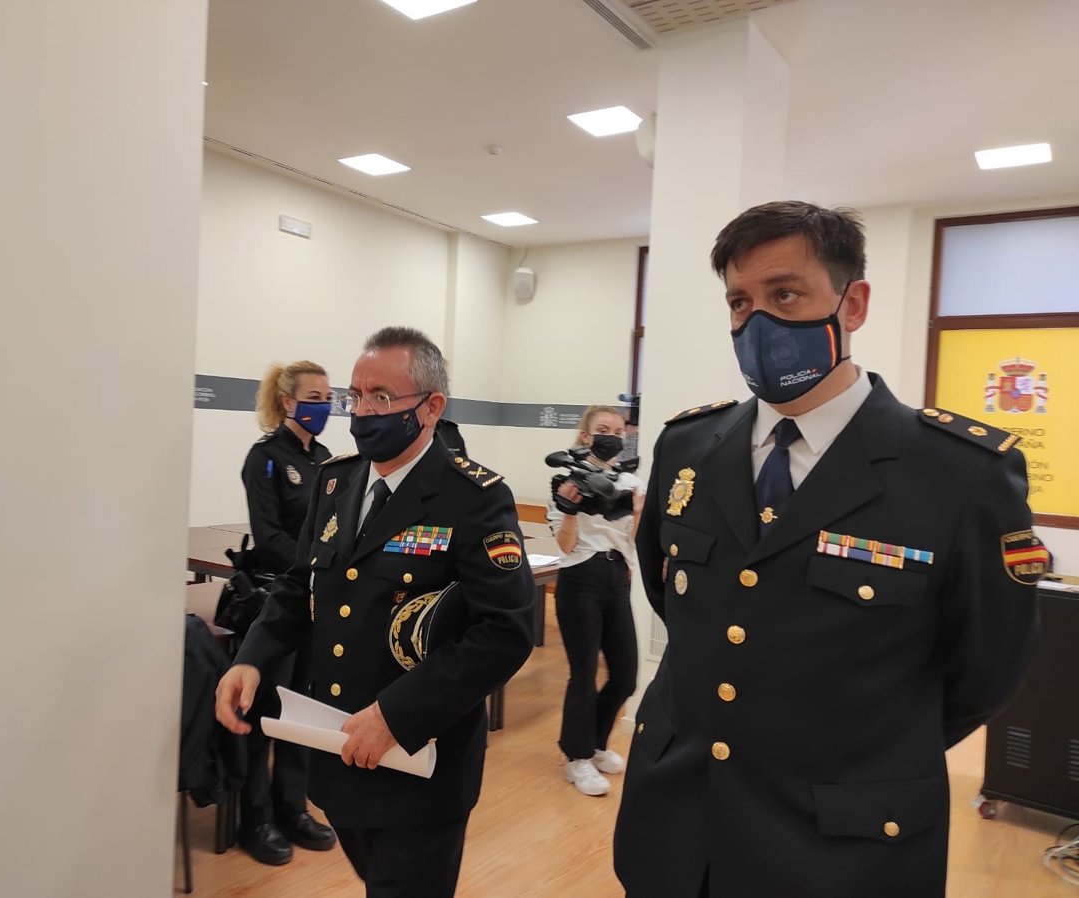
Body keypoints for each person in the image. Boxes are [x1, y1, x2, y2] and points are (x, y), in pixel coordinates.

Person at [614, 201, 1042, 898]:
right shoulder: (690, 446)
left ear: (854, 304)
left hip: (842, 845)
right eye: (740, 302)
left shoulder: (959, 473)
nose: (758, 323)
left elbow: (989, 667)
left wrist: (872, 747)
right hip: (678, 822)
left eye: (785, 294)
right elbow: (674, 596)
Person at [216, 326, 535, 898]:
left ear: (431, 407)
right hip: (338, 750)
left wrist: (396, 715)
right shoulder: (335, 481)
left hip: (417, 759)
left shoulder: (473, 497)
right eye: (356, 395)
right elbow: (299, 585)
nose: (362, 412)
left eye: (382, 397)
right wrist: (252, 657)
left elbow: (504, 632)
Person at [235, 360, 338, 864]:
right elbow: (268, 535)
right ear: (287, 402)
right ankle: (255, 818)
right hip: (277, 599)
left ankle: (293, 808)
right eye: (314, 398)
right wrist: (313, 566)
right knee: (264, 714)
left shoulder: (326, 459)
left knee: (302, 710)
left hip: (318, 602)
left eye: (328, 398)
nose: (324, 406)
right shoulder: (265, 459)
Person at [546, 405, 643, 797]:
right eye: (603, 429)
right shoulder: (566, 479)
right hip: (580, 579)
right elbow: (565, 546)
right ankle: (577, 757)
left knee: (626, 675)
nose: (611, 437)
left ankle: (597, 743)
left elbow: (633, 541)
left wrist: (640, 512)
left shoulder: (631, 480)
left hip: (617, 579)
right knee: (583, 675)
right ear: (586, 435)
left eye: (618, 431)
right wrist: (570, 509)